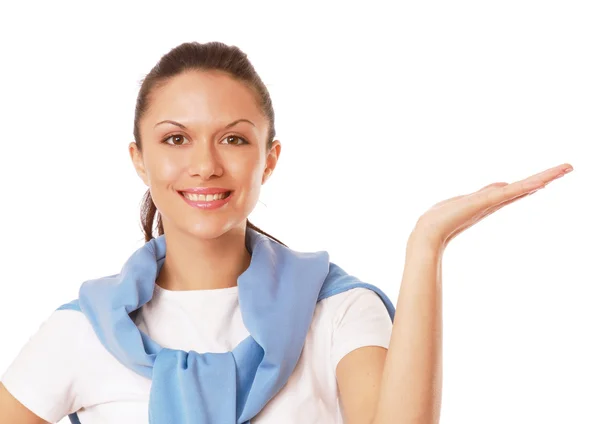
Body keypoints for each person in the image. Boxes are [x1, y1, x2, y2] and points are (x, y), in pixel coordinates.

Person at [0, 41, 573, 424]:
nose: (205, 165)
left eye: (234, 138)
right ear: (139, 159)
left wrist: (427, 244)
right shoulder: (83, 332)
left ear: (268, 159)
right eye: (176, 139)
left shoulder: (337, 311)